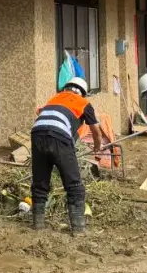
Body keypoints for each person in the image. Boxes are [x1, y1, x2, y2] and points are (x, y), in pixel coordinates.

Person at [30, 77, 104, 234]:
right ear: (83, 93)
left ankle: (38, 226)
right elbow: (96, 131)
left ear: (66, 88)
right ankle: (78, 229)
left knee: (40, 183)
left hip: (37, 133)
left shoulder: (54, 99)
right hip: (59, 136)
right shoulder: (84, 103)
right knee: (75, 186)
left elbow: (43, 115)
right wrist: (98, 147)